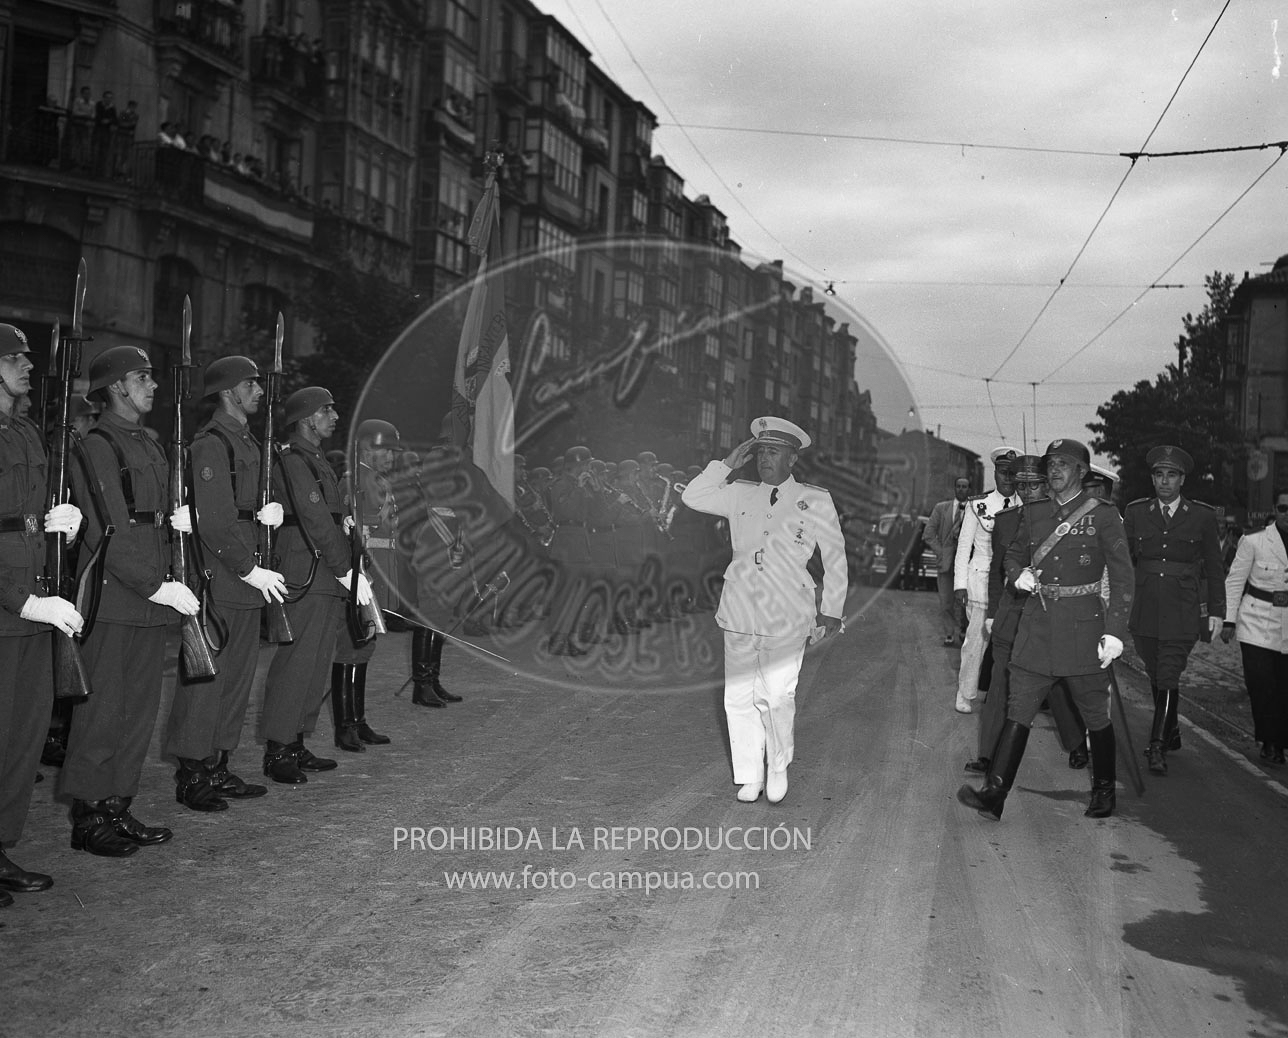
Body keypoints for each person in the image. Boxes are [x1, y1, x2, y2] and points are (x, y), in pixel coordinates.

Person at [64, 346, 199, 856]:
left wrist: (178, 529)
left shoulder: (149, 442)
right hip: (115, 597)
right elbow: (107, 529)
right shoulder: (95, 445)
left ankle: (118, 804)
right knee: (103, 711)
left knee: (139, 710)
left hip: (150, 597)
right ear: (117, 386)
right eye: (143, 377)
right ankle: (89, 815)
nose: (154, 386)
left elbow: (155, 515)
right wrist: (154, 584)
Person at [957, 438, 1133, 820]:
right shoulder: (1033, 512)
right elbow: (1015, 553)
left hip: (1082, 629)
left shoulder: (1103, 515)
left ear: (1082, 472)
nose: (1054, 470)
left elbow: (1123, 577)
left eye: (1064, 465)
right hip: (1036, 626)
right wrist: (1017, 574)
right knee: (1018, 706)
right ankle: (994, 793)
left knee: (1094, 713)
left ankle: (1104, 790)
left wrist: (1116, 631)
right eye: (1051, 464)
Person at [682, 416, 847, 804]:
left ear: (792, 458)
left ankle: (777, 765)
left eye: (773, 452)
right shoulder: (738, 492)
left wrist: (832, 609)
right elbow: (692, 496)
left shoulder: (816, 498)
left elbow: (835, 557)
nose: (763, 459)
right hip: (740, 607)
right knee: (738, 696)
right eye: (759, 452)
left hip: (788, 608)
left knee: (777, 695)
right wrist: (725, 464)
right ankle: (750, 774)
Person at [162, 357, 285, 810]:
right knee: (207, 680)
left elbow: (245, 508)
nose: (258, 390)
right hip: (223, 575)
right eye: (250, 384)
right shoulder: (212, 444)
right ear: (229, 393)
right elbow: (213, 522)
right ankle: (192, 772)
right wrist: (249, 568)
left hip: (249, 576)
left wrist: (267, 518)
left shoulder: (249, 441)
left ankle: (218, 764)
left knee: (236, 680)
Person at [0, 325, 85, 902]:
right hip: (9, 604)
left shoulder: (27, 432)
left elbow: (31, 517)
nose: (27, 366)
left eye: (28, 358)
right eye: (13, 359)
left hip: (36, 603)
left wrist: (64, 526)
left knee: (22, 739)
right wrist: (20, 598)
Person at [259, 387, 369, 783]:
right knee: (297, 662)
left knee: (318, 660)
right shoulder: (292, 460)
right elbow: (314, 517)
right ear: (307, 418)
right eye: (328, 410)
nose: (335, 416)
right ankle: (277, 749)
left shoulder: (316, 459)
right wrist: (344, 569)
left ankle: (296, 741)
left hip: (324, 571)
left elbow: (332, 515)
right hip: (307, 569)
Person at [1124, 445, 1224, 776]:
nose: (1164, 481)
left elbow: (1213, 564)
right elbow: (1123, 561)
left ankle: (1157, 745)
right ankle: (1172, 730)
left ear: (1182, 480)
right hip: (1145, 607)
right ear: (1152, 479)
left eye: (1171, 475)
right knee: (1156, 674)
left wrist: (1217, 611)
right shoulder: (1137, 512)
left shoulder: (1203, 516)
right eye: (1159, 475)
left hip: (1182, 608)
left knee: (1167, 675)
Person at [964, 454, 1045, 776]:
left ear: (1046, 484)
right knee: (998, 687)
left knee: (1063, 689)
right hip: (1010, 613)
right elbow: (1000, 571)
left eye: (1034, 484)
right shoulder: (1007, 519)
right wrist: (994, 612)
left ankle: (1078, 744)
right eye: (1021, 484)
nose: (1026, 491)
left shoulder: (1060, 518)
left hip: (1048, 617)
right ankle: (988, 755)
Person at [329, 419, 398, 750]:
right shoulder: (353, 482)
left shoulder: (376, 480)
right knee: (350, 646)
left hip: (377, 574)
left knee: (365, 646)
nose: (391, 456)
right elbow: (345, 528)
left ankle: (357, 720)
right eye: (386, 449)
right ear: (367, 448)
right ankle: (345, 727)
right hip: (360, 575)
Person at [1220, 487, 1288, 765]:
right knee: (1261, 685)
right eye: (1284, 508)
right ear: (1275, 510)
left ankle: (1280, 741)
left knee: (1284, 687)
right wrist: (1228, 620)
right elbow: (1235, 581)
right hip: (1257, 623)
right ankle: (1269, 741)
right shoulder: (1255, 541)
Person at [953, 447, 1018, 713]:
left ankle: (1008, 701)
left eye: (1012, 474)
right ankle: (965, 694)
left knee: (1013, 647)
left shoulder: (1025, 506)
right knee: (975, 643)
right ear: (995, 472)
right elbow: (963, 546)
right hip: (980, 582)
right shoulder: (978, 505)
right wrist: (959, 585)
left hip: (1012, 586)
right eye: (1003, 472)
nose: (1007, 478)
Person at [924, 477, 970, 647]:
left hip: (967, 565)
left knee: (967, 601)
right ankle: (949, 633)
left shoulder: (975, 509)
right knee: (946, 602)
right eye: (958, 486)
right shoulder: (941, 508)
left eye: (965, 487)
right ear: (954, 488)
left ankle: (964, 631)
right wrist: (940, 552)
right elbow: (928, 534)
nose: (961, 489)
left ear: (969, 489)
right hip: (947, 563)